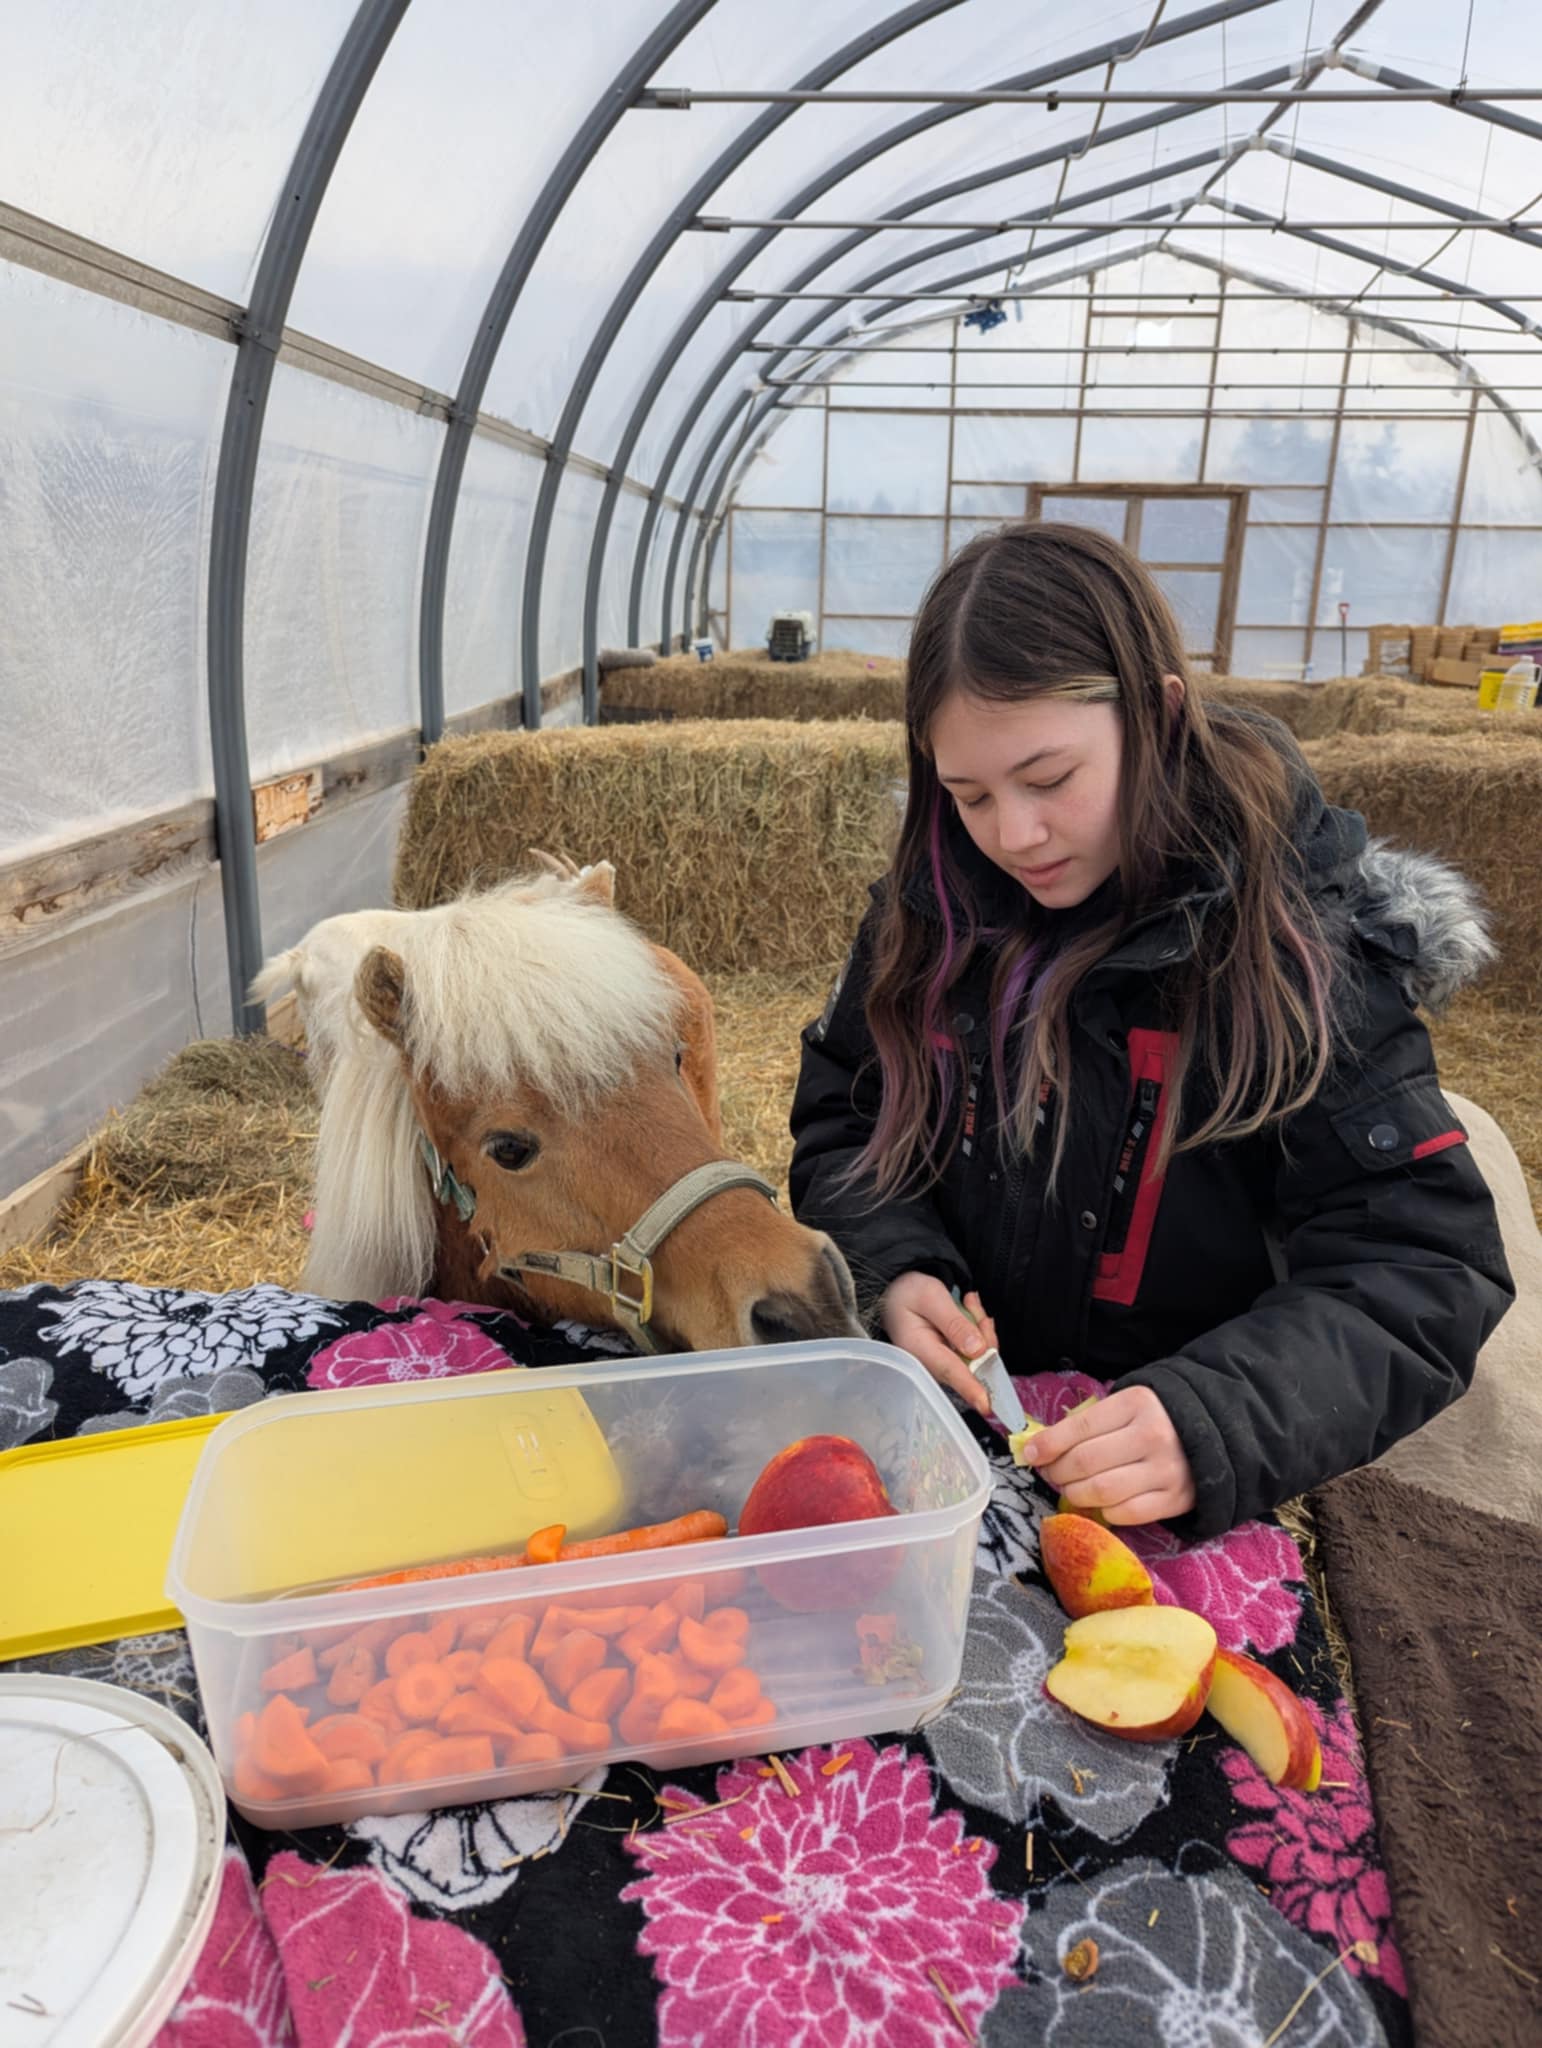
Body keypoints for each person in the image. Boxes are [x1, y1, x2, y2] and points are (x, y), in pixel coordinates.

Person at [789, 523, 1513, 1538]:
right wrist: (897, 1266)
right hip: (957, 1448)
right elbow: (844, 1122)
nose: (1013, 835)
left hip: (1175, 1481)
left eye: (1049, 779)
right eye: (969, 795)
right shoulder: (923, 918)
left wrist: (1213, 1418)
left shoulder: (1301, 947)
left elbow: (1425, 1266)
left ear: (1160, 715)